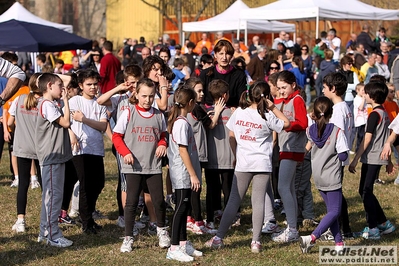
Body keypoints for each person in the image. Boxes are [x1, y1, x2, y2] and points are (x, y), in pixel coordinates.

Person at [205, 81, 290, 252]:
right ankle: (255, 242)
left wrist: (236, 154)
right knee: (258, 202)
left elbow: (231, 135)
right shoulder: (268, 115)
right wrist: (273, 107)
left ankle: (219, 237)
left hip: (243, 162)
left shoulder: (239, 113)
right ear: (266, 98)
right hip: (262, 164)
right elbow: (286, 123)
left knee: (233, 201)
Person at [112, 78, 170, 252]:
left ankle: (161, 230)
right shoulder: (129, 112)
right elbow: (116, 136)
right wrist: (126, 153)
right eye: (144, 96)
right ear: (136, 94)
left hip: (153, 165)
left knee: (159, 200)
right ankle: (128, 237)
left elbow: (163, 134)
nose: (147, 100)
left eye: (151, 96)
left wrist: (162, 144)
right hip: (133, 166)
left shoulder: (159, 115)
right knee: (131, 203)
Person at [299, 96, 348, 253]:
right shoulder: (336, 131)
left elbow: (308, 147)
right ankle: (312, 237)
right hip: (332, 175)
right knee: (335, 211)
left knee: (330, 211)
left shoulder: (310, 130)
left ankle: (339, 243)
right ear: (331, 113)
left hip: (318, 175)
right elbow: (343, 156)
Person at [349, 81, 396, 240]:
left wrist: (355, 158)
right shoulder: (383, 113)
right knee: (364, 189)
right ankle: (383, 223)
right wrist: (388, 161)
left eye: (366, 93)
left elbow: (367, 139)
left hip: (372, 157)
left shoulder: (374, 114)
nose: (364, 94)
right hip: (379, 158)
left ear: (373, 96)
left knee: (365, 191)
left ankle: (373, 228)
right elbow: (387, 138)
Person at [68, 69, 108, 234]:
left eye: (95, 84)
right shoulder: (74, 101)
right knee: (85, 185)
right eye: (89, 84)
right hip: (80, 148)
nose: (93, 87)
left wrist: (84, 119)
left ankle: (88, 213)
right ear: (80, 85)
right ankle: (86, 222)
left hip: (96, 147)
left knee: (98, 183)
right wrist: (71, 135)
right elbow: (67, 122)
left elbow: (103, 126)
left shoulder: (100, 103)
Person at [35, 73, 73, 247]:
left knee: (50, 196)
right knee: (53, 196)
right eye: (59, 86)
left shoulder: (48, 102)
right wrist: (66, 101)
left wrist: (57, 82)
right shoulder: (47, 105)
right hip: (52, 156)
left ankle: (45, 232)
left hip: (55, 155)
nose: (63, 89)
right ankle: (52, 234)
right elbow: (66, 122)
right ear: (49, 86)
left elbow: (67, 79)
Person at [166, 87, 202, 262]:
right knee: (180, 209)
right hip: (182, 174)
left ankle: (182, 243)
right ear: (190, 103)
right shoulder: (180, 123)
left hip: (185, 173)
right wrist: (193, 174)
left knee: (185, 207)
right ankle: (173, 248)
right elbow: (182, 151)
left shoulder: (182, 121)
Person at [185, 78, 224, 234]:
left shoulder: (187, 109)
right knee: (196, 187)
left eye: (202, 90)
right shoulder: (197, 108)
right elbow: (212, 124)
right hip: (197, 153)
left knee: (188, 186)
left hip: (187, 152)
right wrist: (218, 112)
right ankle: (198, 221)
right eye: (198, 91)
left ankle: (189, 218)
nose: (202, 94)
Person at [272, 71, 307, 243]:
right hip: (286, 147)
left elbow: (303, 123)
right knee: (289, 188)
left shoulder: (297, 99)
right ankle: (292, 227)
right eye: (278, 88)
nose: (281, 91)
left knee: (283, 187)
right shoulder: (284, 100)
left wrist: (286, 125)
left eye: (284, 87)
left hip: (293, 148)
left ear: (293, 85)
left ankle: (292, 229)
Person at [8, 74, 42, 233]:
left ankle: (20, 220)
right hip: (41, 148)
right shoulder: (45, 102)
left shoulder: (19, 99)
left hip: (21, 147)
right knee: (46, 186)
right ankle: (48, 218)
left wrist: (18, 131)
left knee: (23, 184)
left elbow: (9, 123)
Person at [322, 72, 354, 239]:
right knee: (338, 195)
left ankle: (338, 229)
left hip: (335, 159)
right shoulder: (346, 108)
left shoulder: (337, 110)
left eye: (325, 87)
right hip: (340, 158)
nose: (322, 90)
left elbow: (337, 135)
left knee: (335, 198)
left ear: (333, 89)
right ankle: (345, 229)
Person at [203, 79, 237, 228]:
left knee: (212, 190)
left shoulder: (206, 112)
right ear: (225, 95)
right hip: (230, 158)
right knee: (228, 190)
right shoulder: (233, 113)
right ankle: (230, 219)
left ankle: (211, 218)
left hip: (212, 157)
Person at [199, 40, 246, 107]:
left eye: (227, 54)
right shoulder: (205, 74)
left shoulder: (239, 75)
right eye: (221, 53)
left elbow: (242, 99)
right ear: (215, 55)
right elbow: (200, 99)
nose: (224, 58)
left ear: (232, 56)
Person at [353, 83, 368, 153]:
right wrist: (363, 99)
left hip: (365, 120)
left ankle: (364, 149)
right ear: (357, 90)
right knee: (360, 136)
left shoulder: (363, 99)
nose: (364, 92)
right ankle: (358, 150)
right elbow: (361, 107)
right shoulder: (356, 99)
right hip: (360, 121)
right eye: (362, 90)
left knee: (365, 136)